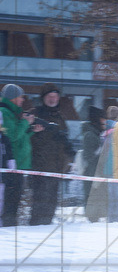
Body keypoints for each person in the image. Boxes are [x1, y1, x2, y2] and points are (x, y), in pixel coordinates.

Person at [28, 83, 75, 225]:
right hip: (39, 167)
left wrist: (70, 157)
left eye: (55, 96)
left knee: (51, 204)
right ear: (43, 98)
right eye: (49, 96)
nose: (52, 99)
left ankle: (46, 228)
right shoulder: (34, 113)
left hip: (56, 168)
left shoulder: (60, 117)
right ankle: (35, 230)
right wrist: (32, 131)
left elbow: (65, 140)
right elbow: (24, 137)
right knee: (39, 204)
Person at [0, 84, 34, 226]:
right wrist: (26, 122)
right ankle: (7, 230)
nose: (22, 100)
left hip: (17, 165)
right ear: (13, 98)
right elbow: (12, 136)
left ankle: (10, 227)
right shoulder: (4, 112)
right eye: (20, 97)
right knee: (10, 203)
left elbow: (18, 136)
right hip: (11, 166)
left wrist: (31, 130)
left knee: (14, 202)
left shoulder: (12, 112)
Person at [79, 105, 106, 220]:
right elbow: (88, 156)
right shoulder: (91, 135)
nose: (105, 121)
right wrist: (101, 153)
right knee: (92, 200)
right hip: (92, 173)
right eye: (103, 118)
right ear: (98, 119)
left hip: (95, 172)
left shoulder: (96, 134)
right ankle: (92, 221)